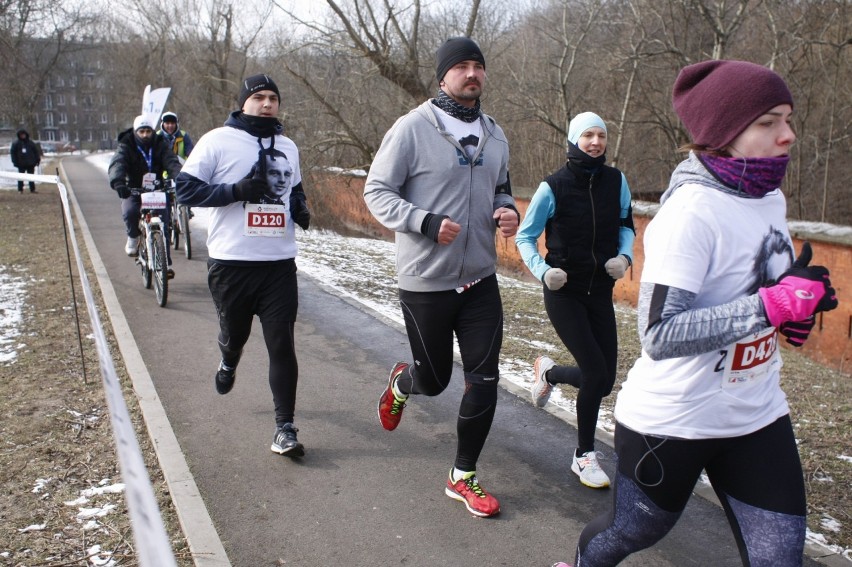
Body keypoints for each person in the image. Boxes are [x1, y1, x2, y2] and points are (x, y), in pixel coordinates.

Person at [553, 60, 838, 567]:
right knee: (631, 532)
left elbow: (751, 288)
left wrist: (792, 310)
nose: (788, 135)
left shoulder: (769, 196)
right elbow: (659, 333)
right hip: (676, 419)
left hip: (757, 412)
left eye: (788, 119)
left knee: (780, 557)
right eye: (769, 122)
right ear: (725, 134)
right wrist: (769, 305)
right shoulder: (691, 213)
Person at [364, 37, 519, 518]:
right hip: (426, 281)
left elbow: (502, 188)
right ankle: (402, 384)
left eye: (478, 66)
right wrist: (424, 221)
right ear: (443, 76)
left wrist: (507, 211)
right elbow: (376, 191)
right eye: (462, 67)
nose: (472, 73)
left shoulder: (495, 135)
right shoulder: (412, 129)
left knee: (485, 379)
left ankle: (462, 475)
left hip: (479, 280)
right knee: (434, 380)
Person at [174, 73, 310, 458]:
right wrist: (235, 191)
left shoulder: (287, 145)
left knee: (282, 343)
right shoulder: (218, 140)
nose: (267, 104)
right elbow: (185, 190)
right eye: (259, 97)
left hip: (278, 264)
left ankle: (284, 428)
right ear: (243, 103)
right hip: (231, 265)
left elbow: (295, 187)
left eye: (273, 98)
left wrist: (299, 206)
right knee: (235, 335)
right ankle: (228, 359)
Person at [515, 111, 635, 490]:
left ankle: (549, 373)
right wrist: (542, 270)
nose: (596, 142)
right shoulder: (553, 187)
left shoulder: (616, 181)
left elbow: (627, 225)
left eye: (601, 135)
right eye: (588, 136)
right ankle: (583, 456)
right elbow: (524, 236)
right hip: (563, 292)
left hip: (599, 291)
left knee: (605, 379)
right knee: (596, 374)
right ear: (573, 140)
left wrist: (625, 257)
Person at [108, 115, 182, 276]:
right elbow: (118, 163)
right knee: (130, 212)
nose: (145, 135)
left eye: (148, 131)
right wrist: (119, 182)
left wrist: (179, 178)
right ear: (135, 132)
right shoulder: (126, 145)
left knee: (164, 221)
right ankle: (133, 237)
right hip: (133, 189)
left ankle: (165, 264)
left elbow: (171, 162)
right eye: (141, 131)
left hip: (156, 190)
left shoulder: (160, 144)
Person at [10, 129, 41, 193]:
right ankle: (20, 189)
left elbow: (36, 152)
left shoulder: (30, 143)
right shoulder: (16, 143)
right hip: (20, 164)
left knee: (31, 177)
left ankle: (32, 189)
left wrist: (37, 160)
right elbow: (13, 153)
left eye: (23, 134)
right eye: (21, 135)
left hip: (31, 163)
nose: (23, 136)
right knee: (21, 177)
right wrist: (15, 162)